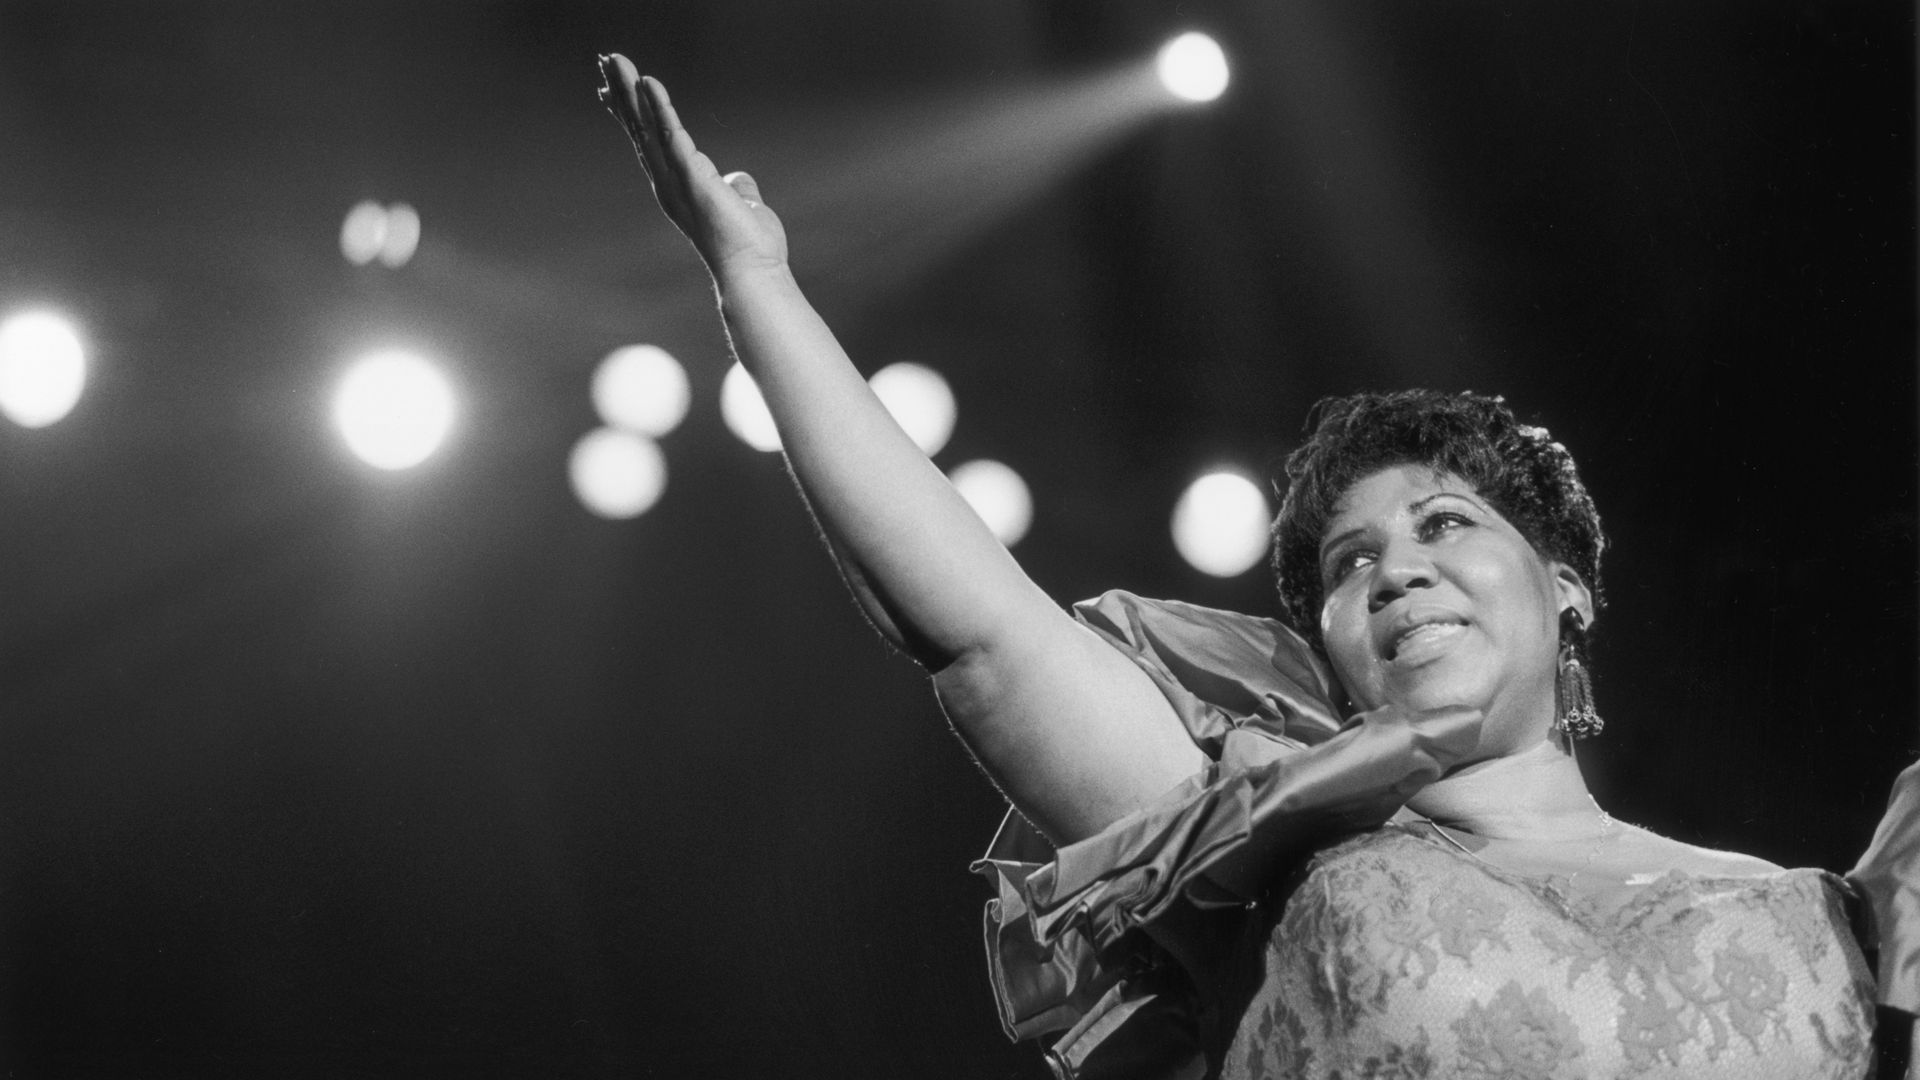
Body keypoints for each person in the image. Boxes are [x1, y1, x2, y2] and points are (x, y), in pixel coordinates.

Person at [595, 54, 1918, 1079]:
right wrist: (755, 288)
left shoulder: (1835, 917)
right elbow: (982, 635)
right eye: (1351, 566)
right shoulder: (1269, 859)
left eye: (1446, 525)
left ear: (1567, 583)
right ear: (1327, 648)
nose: (1396, 573)